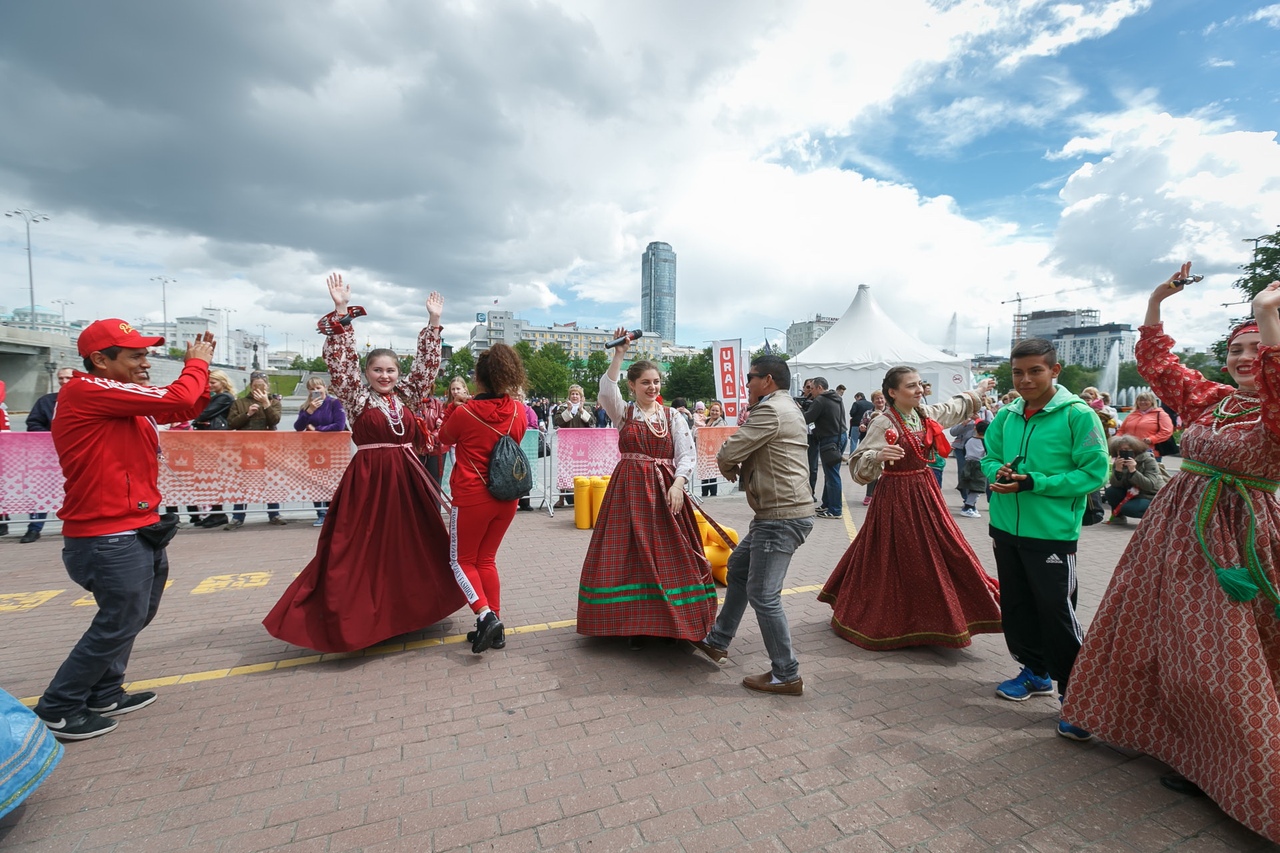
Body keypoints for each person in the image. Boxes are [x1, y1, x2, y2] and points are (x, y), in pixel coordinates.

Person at [1064, 271, 1280, 842]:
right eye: (1235, 348)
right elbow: (1160, 364)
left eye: (1257, 347)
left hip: (1235, 540)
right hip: (1174, 533)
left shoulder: (1275, 409)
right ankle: (1166, 737)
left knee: (1221, 653)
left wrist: (1267, 310)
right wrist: (1156, 301)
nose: (1242, 357)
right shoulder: (1215, 399)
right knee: (1149, 631)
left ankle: (1231, 767)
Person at [263, 275, 466, 653]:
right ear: (366, 374)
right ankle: (357, 619)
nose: (385, 376)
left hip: (406, 480)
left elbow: (426, 369)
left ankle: (408, 612)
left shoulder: (407, 395)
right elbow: (339, 363)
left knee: (412, 546)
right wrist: (342, 312)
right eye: (377, 370)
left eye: (391, 370)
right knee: (359, 549)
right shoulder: (356, 398)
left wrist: (433, 324)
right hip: (370, 482)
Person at [35, 320, 215, 740]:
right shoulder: (88, 390)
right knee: (120, 618)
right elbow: (180, 394)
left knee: (137, 613)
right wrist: (195, 365)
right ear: (100, 360)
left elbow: (184, 407)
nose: (145, 362)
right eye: (135, 355)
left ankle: (105, 692)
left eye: (145, 354)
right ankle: (58, 707)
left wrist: (198, 376)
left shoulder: (113, 397)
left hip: (134, 526)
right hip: (107, 533)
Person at [980, 338, 1109, 740]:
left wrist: (1034, 482)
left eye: (1035, 370)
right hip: (1005, 528)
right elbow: (987, 455)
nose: (1025, 379)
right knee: (1016, 606)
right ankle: (1034, 673)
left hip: (1052, 534)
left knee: (1056, 612)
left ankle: (1078, 698)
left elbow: (1094, 474)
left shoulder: (1078, 415)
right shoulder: (1007, 415)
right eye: (1018, 372)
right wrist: (996, 473)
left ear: (1055, 371)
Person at [820, 369, 1000, 649]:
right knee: (895, 555)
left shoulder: (924, 413)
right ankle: (894, 621)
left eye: (919, 385)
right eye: (911, 386)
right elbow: (857, 464)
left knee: (942, 549)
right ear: (893, 392)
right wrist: (877, 456)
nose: (919, 390)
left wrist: (978, 392)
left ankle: (934, 619)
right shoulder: (883, 422)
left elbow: (954, 407)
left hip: (925, 492)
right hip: (895, 496)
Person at [577, 329, 716, 649]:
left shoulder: (673, 417)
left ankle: (674, 621)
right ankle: (634, 623)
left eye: (656, 382)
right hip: (628, 491)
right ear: (633, 385)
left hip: (664, 489)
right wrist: (619, 355)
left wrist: (679, 484)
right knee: (630, 555)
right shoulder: (623, 412)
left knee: (671, 552)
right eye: (645, 383)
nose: (652, 387)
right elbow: (605, 389)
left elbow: (686, 455)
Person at [691, 355, 812, 694]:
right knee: (739, 568)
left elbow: (730, 450)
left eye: (750, 378)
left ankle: (786, 674)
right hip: (778, 513)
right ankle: (718, 640)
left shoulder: (770, 410)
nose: (747, 384)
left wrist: (730, 467)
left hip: (781, 515)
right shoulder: (787, 407)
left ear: (768, 380)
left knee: (763, 594)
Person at [437, 342, 528, 654]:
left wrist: (454, 405)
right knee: (486, 559)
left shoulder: (465, 413)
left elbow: (442, 438)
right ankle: (495, 626)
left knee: (460, 560)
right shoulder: (518, 411)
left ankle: (484, 615)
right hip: (507, 496)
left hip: (473, 495)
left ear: (478, 378)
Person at [225, 372, 285, 529]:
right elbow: (231, 423)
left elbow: (275, 420)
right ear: (250, 386)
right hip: (245, 448)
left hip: (268, 448)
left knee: (270, 481)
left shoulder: (274, 402)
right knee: (242, 482)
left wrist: (266, 404)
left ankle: (274, 514)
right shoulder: (240, 402)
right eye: (255, 386)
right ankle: (238, 517)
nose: (258, 388)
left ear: (267, 386)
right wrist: (248, 414)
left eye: (262, 386)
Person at [20, 367, 73, 543]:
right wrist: (52, 436)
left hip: (77, 457)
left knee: (78, 492)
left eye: (68, 378)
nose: (64, 381)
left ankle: (75, 526)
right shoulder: (46, 401)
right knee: (41, 492)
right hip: (48, 458)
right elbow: (33, 423)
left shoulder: (88, 400)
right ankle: (34, 528)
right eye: (61, 378)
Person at [294, 376, 348, 527]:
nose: (316, 391)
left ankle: (334, 512)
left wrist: (317, 429)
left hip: (333, 449)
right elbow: (298, 427)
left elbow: (339, 425)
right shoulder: (306, 406)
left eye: (318, 388)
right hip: (313, 449)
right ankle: (321, 514)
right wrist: (309, 411)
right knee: (315, 481)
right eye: (312, 389)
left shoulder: (334, 403)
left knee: (333, 481)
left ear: (325, 388)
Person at [190, 370, 236, 528]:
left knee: (214, 476)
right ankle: (216, 512)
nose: (210, 385)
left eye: (213, 382)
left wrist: (197, 418)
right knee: (209, 477)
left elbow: (203, 413)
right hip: (210, 438)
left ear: (222, 382)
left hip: (214, 440)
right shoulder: (218, 397)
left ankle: (218, 513)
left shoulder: (224, 397)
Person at [804, 377, 845, 519]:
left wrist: (798, 410)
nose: (811, 392)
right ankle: (827, 504)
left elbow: (807, 418)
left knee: (832, 475)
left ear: (820, 387)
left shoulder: (820, 400)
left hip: (830, 439)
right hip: (840, 436)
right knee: (831, 473)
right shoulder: (836, 398)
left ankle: (835, 510)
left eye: (813, 389)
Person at [1102, 434, 1168, 522]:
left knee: (1128, 509)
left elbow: (1149, 485)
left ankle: (1159, 517)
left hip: (1151, 495)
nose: (1123, 453)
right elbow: (1115, 485)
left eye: (1126, 450)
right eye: (1120, 451)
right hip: (1132, 493)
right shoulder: (1119, 461)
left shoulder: (1148, 460)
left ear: (1135, 449)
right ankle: (1118, 517)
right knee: (1111, 492)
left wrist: (1133, 471)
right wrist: (1118, 471)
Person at [552, 384, 595, 509]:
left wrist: (582, 411)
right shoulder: (563, 407)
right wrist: (568, 411)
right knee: (565, 469)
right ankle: (561, 499)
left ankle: (583, 496)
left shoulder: (586, 408)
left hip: (583, 444)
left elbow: (592, 422)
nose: (575, 396)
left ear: (581, 397)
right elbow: (558, 421)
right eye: (573, 394)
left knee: (583, 470)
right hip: (567, 444)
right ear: (569, 396)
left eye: (577, 394)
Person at [1116, 390, 1175, 456]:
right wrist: (1117, 439)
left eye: (1146, 400)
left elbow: (1167, 431)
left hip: (1149, 450)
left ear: (1152, 402)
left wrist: (1152, 439)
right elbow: (1122, 430)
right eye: (1140, 400)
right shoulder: (1132, 414)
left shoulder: (1161, 414)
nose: (1142, 402)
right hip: (1129, 450)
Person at [857, 390, 887, 505]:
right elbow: (861, 425)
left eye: (881, 398)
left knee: (886, 472)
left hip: (887, 445)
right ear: (873, 401)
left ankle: (883, 496)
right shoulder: (868, 413)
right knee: (873, 469)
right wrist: (862, 426)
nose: (879, 400)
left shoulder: (890, 412)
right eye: (877, 399)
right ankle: (869, 495)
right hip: (872, 445)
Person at [958, 420, 990, 517]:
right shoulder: (986, 442)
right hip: (979, 466)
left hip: (968, 464)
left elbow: (964, 451)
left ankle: (971, 506)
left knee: (971, 486)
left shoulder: (969, 440)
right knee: (978, 488)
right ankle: (968, 507)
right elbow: (988, 455)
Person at [700, 400, 727, 497]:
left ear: (720, 412)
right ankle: (704, 493)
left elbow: (715, 434)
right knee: (704, 473)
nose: (714, 412)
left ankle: (713, 494)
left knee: (712, 474)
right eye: (712, 410)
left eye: (717, 411)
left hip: (714, 451)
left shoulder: (721, 422)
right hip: (704, 450)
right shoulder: (706, 420)